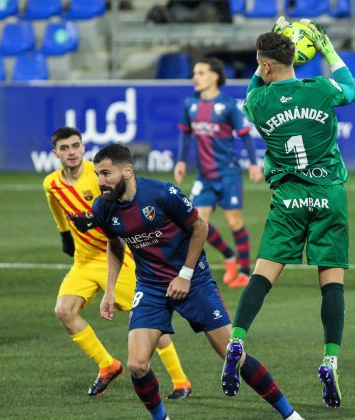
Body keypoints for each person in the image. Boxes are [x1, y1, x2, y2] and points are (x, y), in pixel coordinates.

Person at [90, 143, 301, 420]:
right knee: (137, 364)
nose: (100, 182)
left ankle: (290, 415)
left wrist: (185, 275)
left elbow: (200, 226)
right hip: (151, 287)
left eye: (106, 174)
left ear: (127, 170)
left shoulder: (162, 193)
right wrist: (110, 290)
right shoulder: (103, 208)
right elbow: (115, 245)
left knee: (232, 355)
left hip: (194, 281)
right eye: (97, 175)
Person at [220, 18, 355, 409]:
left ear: (264, 66)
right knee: (332, 282)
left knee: (263, 274)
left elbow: (252, 87)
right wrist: (326, 47)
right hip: (328, 194)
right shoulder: (319, 88)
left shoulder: (257, 102)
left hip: (289, 197)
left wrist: (272, 47)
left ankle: (237, 339)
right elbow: (351, 89)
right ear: (297, 57)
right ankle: (330, 358)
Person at [43, 127, 192, 399]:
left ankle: (181, 380)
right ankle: (108, 364)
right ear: (55, 153)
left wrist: (93, 220)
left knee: (150, 323)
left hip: (116, 257)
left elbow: (121, 206)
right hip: (84, 261)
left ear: (83, 147)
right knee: (64, 310)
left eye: (75, 145)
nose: (71, 152)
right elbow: (56, 208)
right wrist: (64, 234)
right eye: (64, 148)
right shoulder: (51, 183)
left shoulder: (99, 174)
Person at [174, 56, 263, 289]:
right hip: (204, 176)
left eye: (201, 72)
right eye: (194, 73)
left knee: (234, 222)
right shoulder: (190, 105)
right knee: (196, 222)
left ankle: (244, 271)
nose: (195, 77)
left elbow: (244, 134)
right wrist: (181, 161)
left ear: (214, 76)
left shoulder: (228, 105)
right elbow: (185, 134)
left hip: (228, 174)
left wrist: (254, 164)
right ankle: (229, 255)